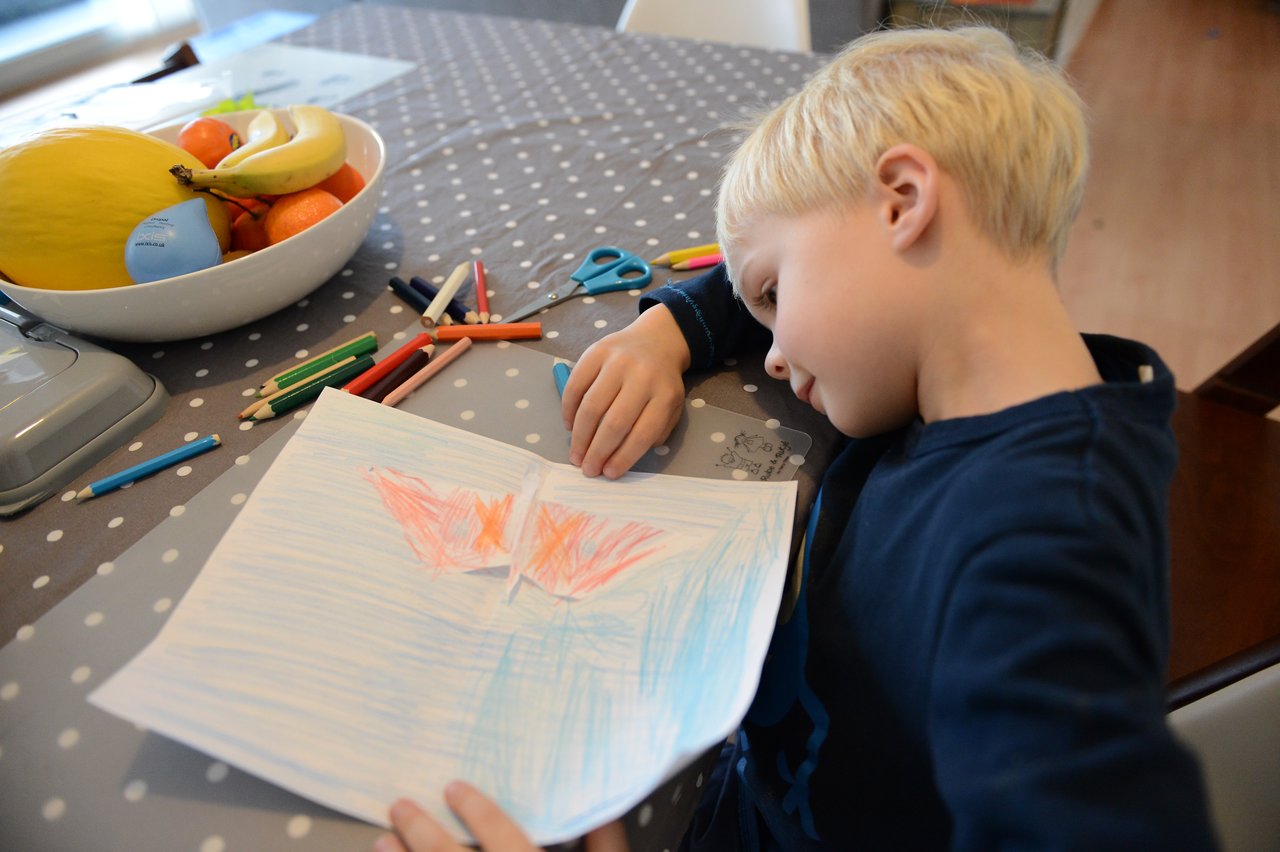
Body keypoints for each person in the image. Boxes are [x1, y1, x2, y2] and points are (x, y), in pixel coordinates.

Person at [376, 24, 1218, 851]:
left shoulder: (1040, 545)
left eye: (773, 294)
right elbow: (794, 259)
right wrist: (666, 332)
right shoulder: (954, 374)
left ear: (904, 202)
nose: (772, 355)